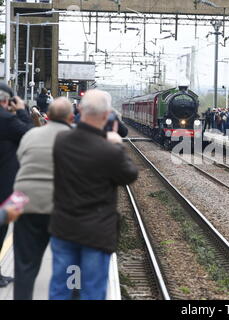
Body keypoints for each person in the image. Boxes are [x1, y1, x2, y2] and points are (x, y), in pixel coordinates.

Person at [49, 90, 138, 300]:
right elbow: (129, 175)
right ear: (107, 115)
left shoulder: (61, 140)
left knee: (60, 288)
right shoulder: (109, 151)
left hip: (64, 227)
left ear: (79, 109)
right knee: (92, 291)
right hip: (96, 232)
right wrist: (116, 143)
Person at [13, 98, 74, 300]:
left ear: (48, 114)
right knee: (69, 264)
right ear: (71, 117)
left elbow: (22, 159)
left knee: (25, 265)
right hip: (63, 208)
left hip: (27, 204)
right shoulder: (76, 138)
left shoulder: (31, 134)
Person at [0, 83, 33, 287]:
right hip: (4, 187)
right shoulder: (7, 120)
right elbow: (30, 134)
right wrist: (21, 110)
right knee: (2, 229)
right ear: (7, 100)